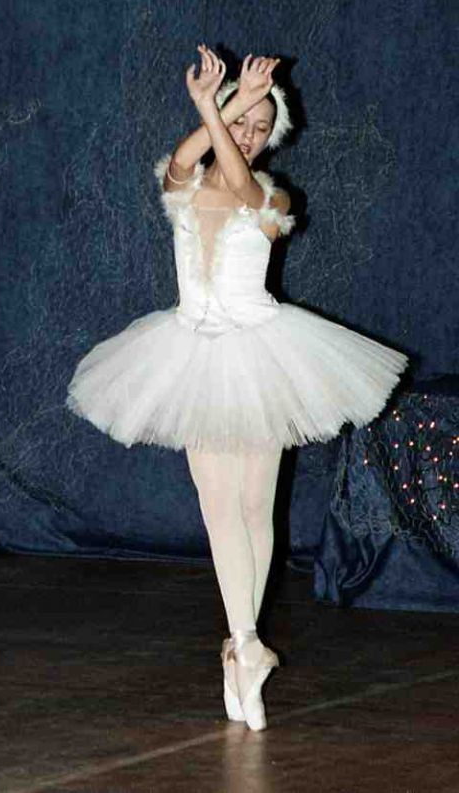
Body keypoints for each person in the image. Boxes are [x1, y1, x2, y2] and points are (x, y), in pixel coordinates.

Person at [66, 45, 408, 731]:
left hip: (258, 357)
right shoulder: (184, 188)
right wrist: (213, 104)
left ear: (272, 138)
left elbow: (244, 186)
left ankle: (241, 650)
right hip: (192, 355)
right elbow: (182, 161)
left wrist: (224, 108)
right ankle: (246, 645)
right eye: (240, 122)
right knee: (218, 505)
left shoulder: (272, 198)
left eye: (259, 126)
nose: (247, 134)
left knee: (256, 508)